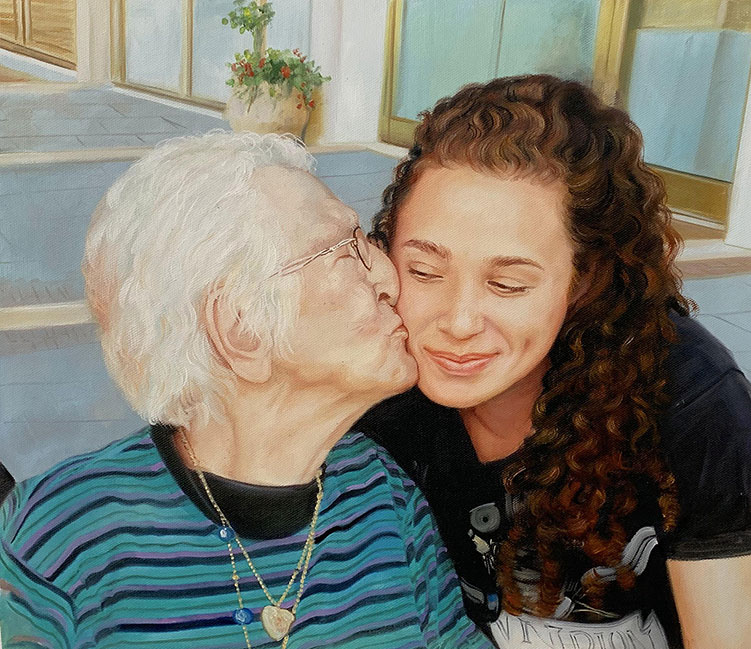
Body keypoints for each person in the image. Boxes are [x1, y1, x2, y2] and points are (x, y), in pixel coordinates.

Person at [0, 132, 493, 649]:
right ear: (241, 329)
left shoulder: (381, 491)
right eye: (348, 252)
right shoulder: (60, 534)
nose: (390, 280)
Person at [357, 75, 751, 649]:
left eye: (508, 284)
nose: (458, 322)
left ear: (583, 280)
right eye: (423, 271)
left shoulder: (691, 398)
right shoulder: (375, 379)